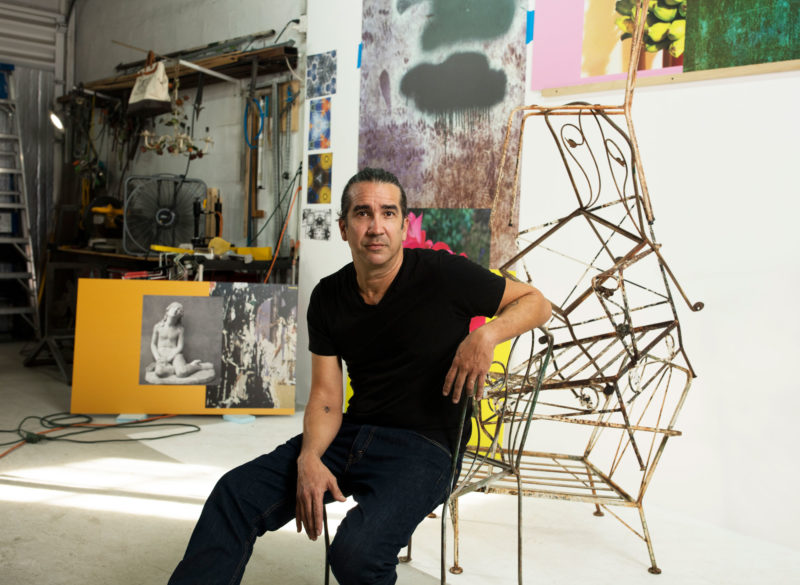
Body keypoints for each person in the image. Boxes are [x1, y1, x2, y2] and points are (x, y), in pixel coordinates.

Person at [168, 168, 551, 585]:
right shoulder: (329, 296)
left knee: (358, 551)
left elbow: (536, 302)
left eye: (388, 213)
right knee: (234, 494)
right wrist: (311, 457)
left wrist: (487, 333)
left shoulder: (443, 274)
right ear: (343, 228)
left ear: (404, 225)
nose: (376, 226)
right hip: (353, 433)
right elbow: (327, 398)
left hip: (427, 447)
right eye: (362, 213)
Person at [149, 301, 214, 378]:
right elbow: (153, 344)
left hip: (175, 354)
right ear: (168, 310)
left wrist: (170, 358)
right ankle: (182, 367)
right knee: (159, 372)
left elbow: (180, 346)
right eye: (174, 307)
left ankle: (198, 366)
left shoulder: (180, 329)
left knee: (181, 373)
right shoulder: (158, 327)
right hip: (161, 355)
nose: (176, 310)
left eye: (179, 309)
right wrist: (158, 358)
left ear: (180, 315)